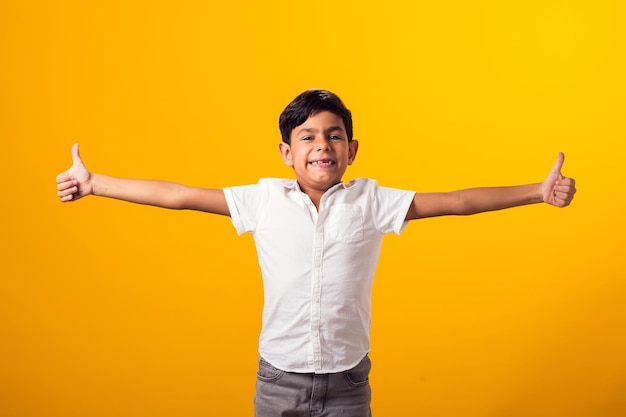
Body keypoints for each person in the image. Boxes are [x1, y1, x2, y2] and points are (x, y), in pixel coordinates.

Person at [56, 89, 577, 417]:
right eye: (307, 137)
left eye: (334, 135)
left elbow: (459, 201)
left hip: (349, 385)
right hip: (278, 381)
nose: (321, 145)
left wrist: (536, 191)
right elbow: (179, 195)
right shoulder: (262, 200)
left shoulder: (372, 201)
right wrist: (96, 182)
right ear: (287, 153)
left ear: (352, 149)